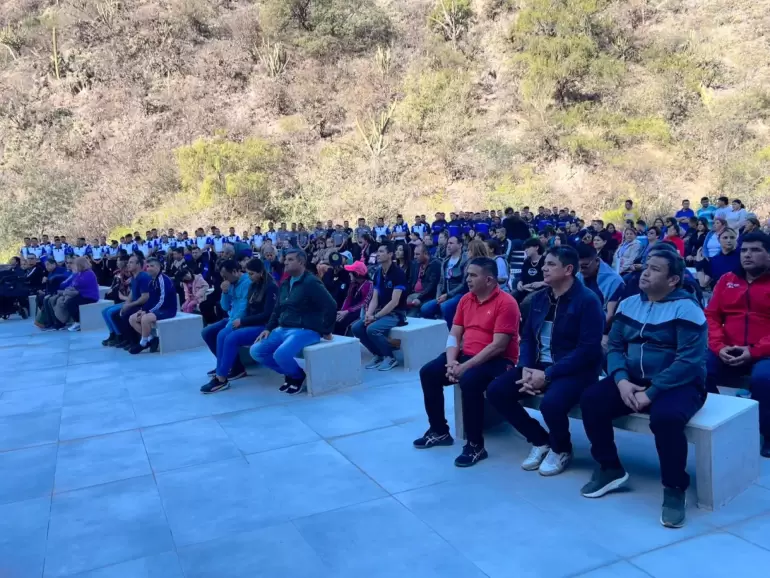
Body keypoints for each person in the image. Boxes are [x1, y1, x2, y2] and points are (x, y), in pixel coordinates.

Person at [579, 249, 707, 529]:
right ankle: (610, 468)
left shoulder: (687, 309)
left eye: (655, 269)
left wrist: (651, 393)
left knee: (666, 418)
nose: (645, 273)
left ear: (673, 280)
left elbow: (688, 361)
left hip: (680, 383)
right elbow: (613, 347)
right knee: (591, 400)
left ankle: (674, 487)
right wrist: (622, 381)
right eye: (646, 267)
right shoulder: (628, 304)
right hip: (632, 379)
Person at [486, 246, 604, 476]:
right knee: (496, 391)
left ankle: (562, 448)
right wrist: (527, 368)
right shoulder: (540, 298)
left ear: (568, 269)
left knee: (551, 403)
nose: (544, 268)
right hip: (539, 365)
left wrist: (548, 375)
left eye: (551, 264)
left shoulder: (588, 301)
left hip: (576, 371)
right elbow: (528, 336)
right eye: (545, 263)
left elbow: (588, 350)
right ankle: (541, 440)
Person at [413, 257, 520, 467]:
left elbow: (498, 346)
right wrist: (452, 362)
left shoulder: (506, 303)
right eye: (467, 274)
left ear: (489, 280)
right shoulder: (466, 299)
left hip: (497, 360)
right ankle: (439, 431)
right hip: (466, 355)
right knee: (429, 373)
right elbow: (455, 333)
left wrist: (464, 368)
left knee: (469, 381)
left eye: (473, 275)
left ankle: (475, 445)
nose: (467, 279)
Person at [704, 232, 770, 456]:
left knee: (764, 379)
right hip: (728, 348)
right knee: (698, 370)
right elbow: (711, 316)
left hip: (764, 352)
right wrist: (719, 346)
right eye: (744, 250)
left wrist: (753, 351)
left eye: (755, 250)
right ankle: (717, 423)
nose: (747, 255)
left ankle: (766, 433)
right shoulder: (727, 280)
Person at [250, 249, 337, 394]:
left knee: (281, 354)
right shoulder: (285, 283)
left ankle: (298, 377)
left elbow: (331, 305)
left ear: (301, 262)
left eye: (290, 260)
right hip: (283, 328)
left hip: (306, 329)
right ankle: (291, 373)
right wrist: (268, 328)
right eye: (285, 259)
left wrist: (326, 330)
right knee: (256, 351)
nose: (286, 262)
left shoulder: (311, 282)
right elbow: (277, 309)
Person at [201, 258, 278, 393]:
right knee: (215, 333)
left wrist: (242, 322)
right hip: (244, 320)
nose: (249, 276)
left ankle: (222, 377)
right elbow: (228, 307)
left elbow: (267, 314)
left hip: (263, 325)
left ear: (260, 272)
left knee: (229, 337)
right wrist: (225, 293)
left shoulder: (270, 287)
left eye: (251, 274)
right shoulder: (254, 285)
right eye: (248, 274)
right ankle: (222, 370)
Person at [352, 242, 408, 371]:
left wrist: (375, 317)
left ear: (390, 254)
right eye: (378, 251)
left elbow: (394, 302)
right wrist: (369, 314)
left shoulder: (398, 273)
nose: (378, 254)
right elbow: (374, 298)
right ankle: (378, 354)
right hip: (380, 312)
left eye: (382, 251)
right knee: (357, 328)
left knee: (372, 329)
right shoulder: (378, 273)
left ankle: (390, 357)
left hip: (396, 313)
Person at [200, 259, 253, 375]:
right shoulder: (231, 284)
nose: (225, 279)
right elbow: (224, 307)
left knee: (223, 334)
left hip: (243, 320)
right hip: (231, 318)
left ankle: (235, 368)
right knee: (207, 332)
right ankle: (225, 364)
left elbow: (244, 309)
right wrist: (224, 292)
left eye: (226, 276)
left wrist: (229, 325)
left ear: (235, 272)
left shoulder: (247, 283)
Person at [128, 258, 177, 353]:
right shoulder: (152, 280)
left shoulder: (164, 280)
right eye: (147, 266)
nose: (149, 268)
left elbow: (162, 300)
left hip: (167, 310)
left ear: (158, 267)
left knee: (145, 318)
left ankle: (143, 343)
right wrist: (142, 309)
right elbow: (150, 299)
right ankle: (151, 339)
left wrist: (147, 311)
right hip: (156, 309)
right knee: (132, 318)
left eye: (152, 266)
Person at [419, 236, 468, 327]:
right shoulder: (445, 261)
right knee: (425, 308)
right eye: (448, 243)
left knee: (445, 306)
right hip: (445, 294)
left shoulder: (465, 260)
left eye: (451, 243)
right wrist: (438, 296)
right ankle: (436, 330)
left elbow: (463, 284)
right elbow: (441, 282)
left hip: (459, 294)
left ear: (460, 245)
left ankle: (451, 332)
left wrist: (447, 295)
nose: (448, 245)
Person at [577, 244, 624, 332]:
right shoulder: (579, 276)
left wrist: (591, 334)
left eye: (584, 266)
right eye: (578, 267)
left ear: (597, 261)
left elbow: (609, 315)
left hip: (601, 328)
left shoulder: (615, 281)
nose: (580, 270)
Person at [334, 261, 373, 335]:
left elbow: (364, 303)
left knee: (345, 324)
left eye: (351, 272)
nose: (349, 274)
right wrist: (342, 312)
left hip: (362, 311)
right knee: (336, 319)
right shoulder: (353, 284)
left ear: (357, 274)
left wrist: (347, 312)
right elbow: (348, 298)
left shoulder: (368, 284)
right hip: (351, 310)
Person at [405, 244, 440, 317]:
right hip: (415, 294)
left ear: (426, 254)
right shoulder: (415, 264)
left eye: (417, 254)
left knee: (413, 313)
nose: (414, 257)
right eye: (414, 254)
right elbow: (411, 281)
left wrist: (420, 298)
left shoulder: (435, 264)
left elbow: (432, 286)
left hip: (428, 296)